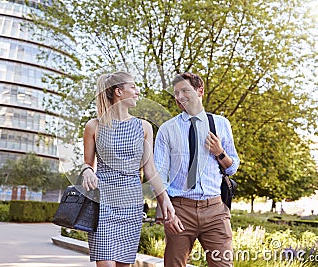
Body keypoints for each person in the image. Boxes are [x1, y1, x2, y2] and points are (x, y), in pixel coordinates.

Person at [81, 71, 176, 267]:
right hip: (103, 202)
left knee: (125, 264)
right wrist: (87, 171)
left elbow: (150, 170)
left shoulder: (144, 127)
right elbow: (87, 163)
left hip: (131, 203)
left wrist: (164, 200)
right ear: (118, 91)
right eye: (133, 87)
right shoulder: (94, 126)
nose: (137, 92)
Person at [154, 72, 240, 267]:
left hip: (215, 210)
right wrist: (168, 212)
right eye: (176, 93)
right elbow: (158, 175)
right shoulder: (167, 129)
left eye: (185, 90)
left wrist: (220, 152)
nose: (180, 97)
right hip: (180, 210)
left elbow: (232, 167)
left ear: (199, 91)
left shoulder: (220, 124)